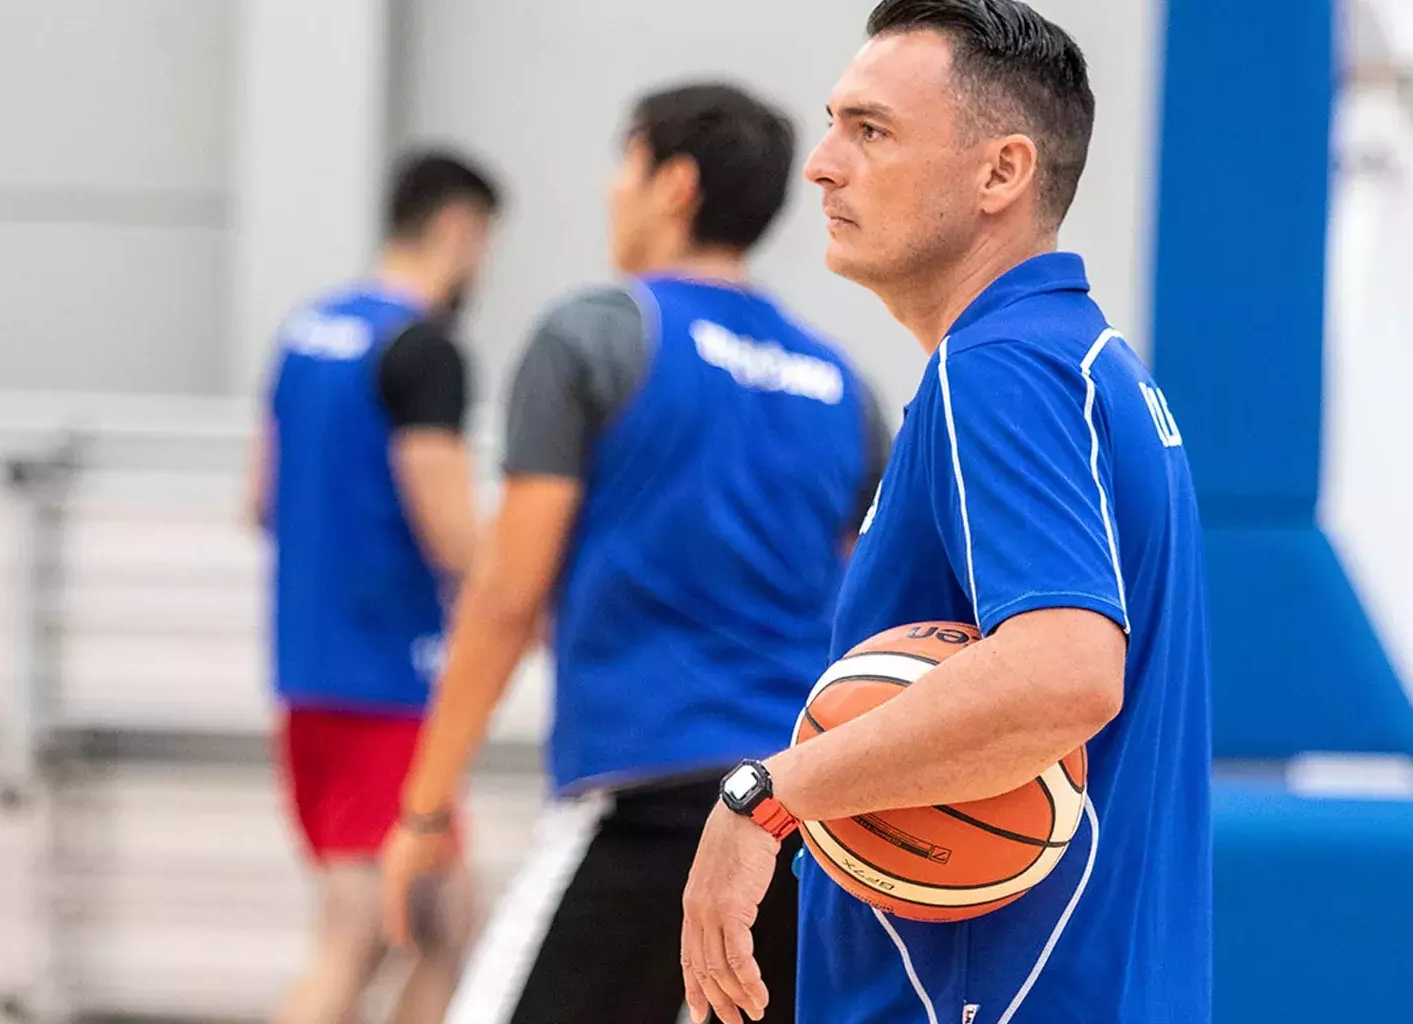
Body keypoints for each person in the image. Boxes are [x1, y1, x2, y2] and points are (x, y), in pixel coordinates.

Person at [678, 2, 1213, 1023]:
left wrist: (766, 795)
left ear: (1001, 172)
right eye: (833, 123)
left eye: (870, 130)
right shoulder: (1088, 365)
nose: (823, 165)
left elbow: (1062, 672)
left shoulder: (1001, 372)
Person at [376, 83, 891, 1024]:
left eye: (624, 165)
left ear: (674, 185)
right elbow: (874, 621)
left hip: (643, 804)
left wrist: (423, 804)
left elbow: (503, 594)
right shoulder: (844, 388)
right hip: (796, 819)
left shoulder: (597, 337)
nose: (611, 191)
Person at [248, 149, 502, 1024]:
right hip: (386, 684)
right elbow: (452, 533)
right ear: (460, 229)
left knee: (443, 923)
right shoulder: (422, 349)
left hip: (308, 678)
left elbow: (257, 499)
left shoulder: (306, 332)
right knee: (361, 927)